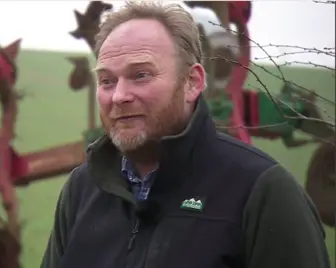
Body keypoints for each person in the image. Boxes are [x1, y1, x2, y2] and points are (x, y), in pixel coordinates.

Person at [41, 2, 330, 268]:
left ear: (192, 82)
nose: (119, 96)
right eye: (107, 80)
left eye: (141, 75)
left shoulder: (263, 193)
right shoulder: (82, 189)